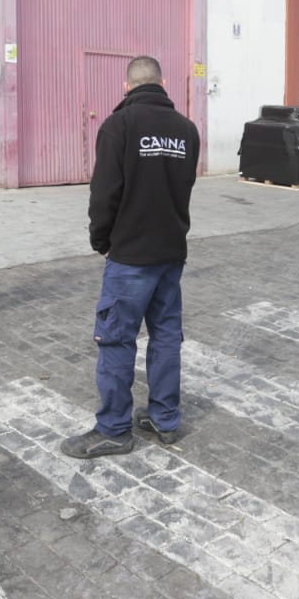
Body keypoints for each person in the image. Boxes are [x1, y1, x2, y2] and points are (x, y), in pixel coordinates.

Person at [62, 56, 200, 459]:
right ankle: (164, 418)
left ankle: (114, 429)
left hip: (131, 256)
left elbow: (104, 192)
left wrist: (101, 240)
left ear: (127, 87)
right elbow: (184, 185)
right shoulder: (187, 130)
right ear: (163, 83)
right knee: (166, 336)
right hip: (170, 252)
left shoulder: (119, 125)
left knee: (116, 339)